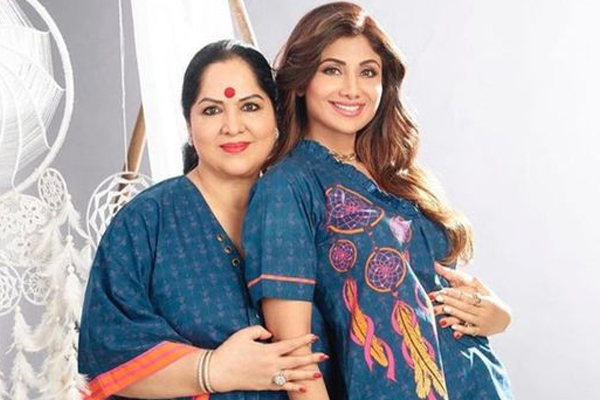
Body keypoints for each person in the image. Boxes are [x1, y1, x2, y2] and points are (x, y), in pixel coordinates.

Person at [243, 2, 513, 400]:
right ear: (301, 81)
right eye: (332, 70)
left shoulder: (399, 175)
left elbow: (440, 286)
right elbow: (295, 358)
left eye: (368, 72)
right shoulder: (289, 186)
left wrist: (499, 316)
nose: (352, 89)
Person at [78, 40, 329, 400]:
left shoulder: (310, 211)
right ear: (189, 124)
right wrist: (211, 370)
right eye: (212, 110)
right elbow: (104, 359)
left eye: (250, 106)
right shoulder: (145, 223)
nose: (232, 126)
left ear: (276, 117)